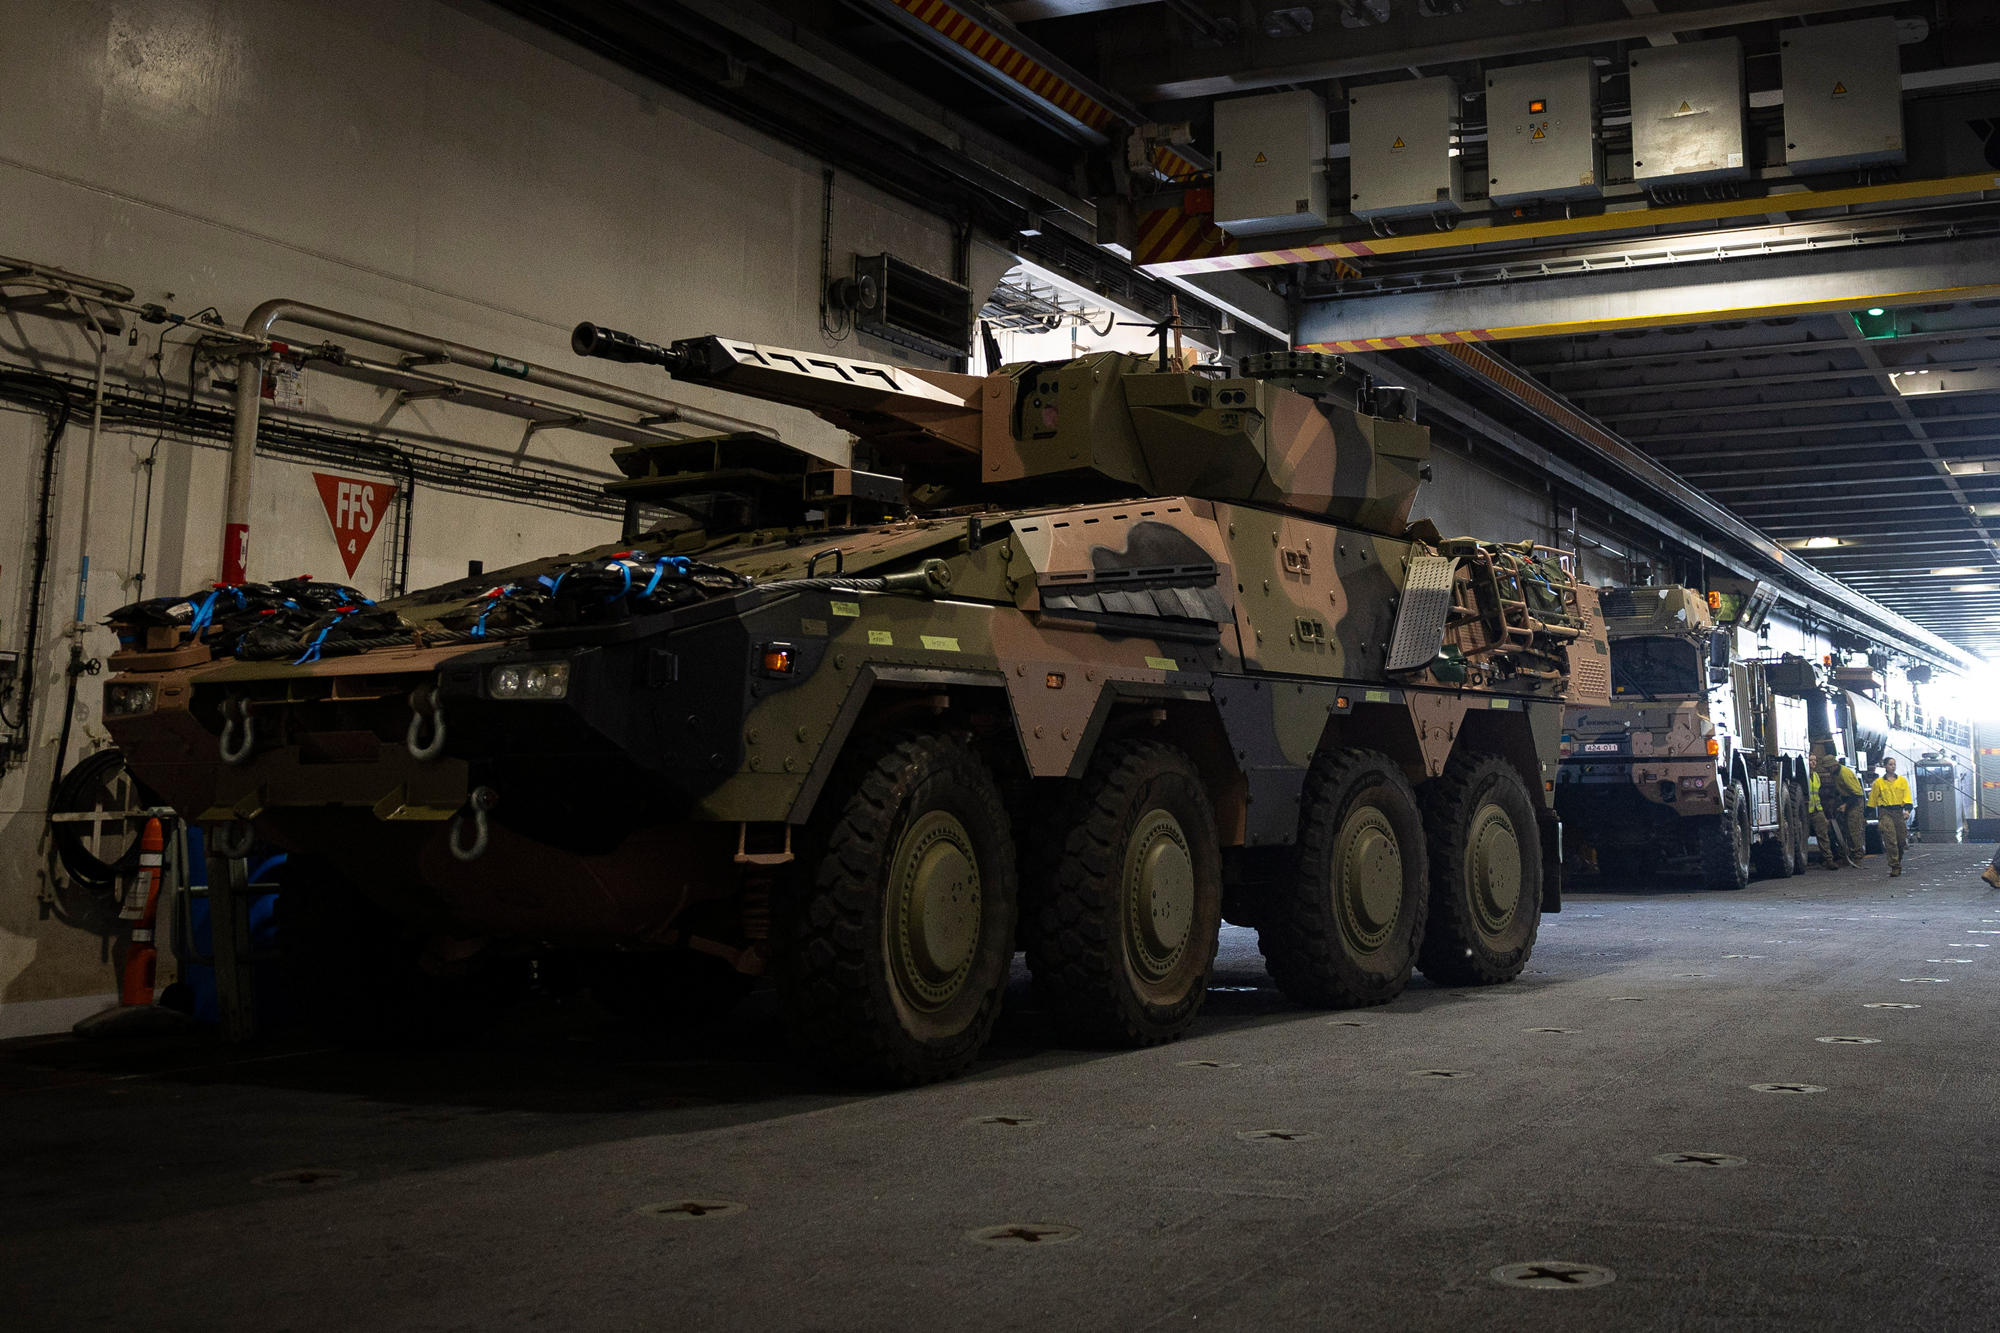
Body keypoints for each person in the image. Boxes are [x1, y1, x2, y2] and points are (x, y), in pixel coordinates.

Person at [1814, 750, 1864, 870]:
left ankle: (1857, 857)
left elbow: (1856, 793)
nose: (1827, 771)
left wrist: (1846, 805)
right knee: (1843, 830)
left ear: (1834, 765)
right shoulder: (1835, 773)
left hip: (1855, 802)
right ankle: (1846, 857)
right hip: (1846, 800)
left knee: (1853, 830)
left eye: (1828, 768)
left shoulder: (1844, 774)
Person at [1868, 757, 1912, 878]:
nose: (1893, 766)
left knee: (1901, 841)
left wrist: (1907, 810)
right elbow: (1872, 801)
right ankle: (1895, 866)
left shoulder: (1902, 781)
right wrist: (1866, 815)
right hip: (1885, 812)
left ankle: (1898, 859)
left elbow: (1907, 796)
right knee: (1890, 839)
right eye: (1890, 764)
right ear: (1885, 766)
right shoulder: (1878, 783)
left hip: (1898, 812)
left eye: (1894, 764)